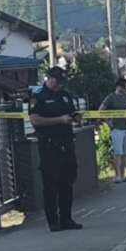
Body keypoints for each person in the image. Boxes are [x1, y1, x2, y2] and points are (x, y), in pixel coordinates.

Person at [29, 66, 83, 231]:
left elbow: (71, 112)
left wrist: (75, 117)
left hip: (66, 144)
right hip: (49, 146)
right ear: (49, 78)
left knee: (67, 183)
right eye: (57, 81)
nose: (59, 85)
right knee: (51, 185)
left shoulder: (65, 95)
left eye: (61, 82)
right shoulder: (38, 97)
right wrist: (59, 120)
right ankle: (53, 221)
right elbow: (35, 120)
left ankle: (67, 218)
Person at [101, 77, 126, 183]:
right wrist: (108, 122)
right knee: (118, 153)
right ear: (118, 86)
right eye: (123, 87)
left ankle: (123, 175)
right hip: (116, 128)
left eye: (125, 87)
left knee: (125, 152)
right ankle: (117, 176)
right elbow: (101, 110)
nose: (124, 89)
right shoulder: (111, 97)